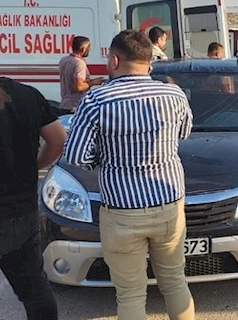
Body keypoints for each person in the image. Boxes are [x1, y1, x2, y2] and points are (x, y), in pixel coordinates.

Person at [63, 30, 195, 320]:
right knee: (174, 282)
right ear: (149, 61)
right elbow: (183, 133)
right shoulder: (173, 94)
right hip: (169, 206)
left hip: (122, 212)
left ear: (113, 59)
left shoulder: (97, 100)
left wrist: (108, 158)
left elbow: (76, 157)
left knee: (131, 294)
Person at [0, 22, 66, 319]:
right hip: (23, 215)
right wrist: (34, 165)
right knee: (35, 291)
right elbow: (57, 140)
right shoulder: (27, 95)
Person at [58, 35, 103, 112]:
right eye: (88, 48)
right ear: (83, 49)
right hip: (75, 106)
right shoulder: (79, 63)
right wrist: (94, 82)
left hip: (65, 104)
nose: (89, 50)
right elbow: (79, 86)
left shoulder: (64, 60)